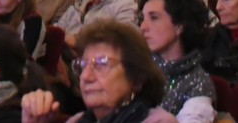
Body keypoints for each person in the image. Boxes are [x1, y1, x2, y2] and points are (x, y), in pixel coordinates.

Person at [20, 19, 163, 123]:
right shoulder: (78, 120)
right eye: (83, 65)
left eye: (102, 64)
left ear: (137, 79)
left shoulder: (157, 121)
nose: (86, 77)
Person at [137, 0, 214, 123]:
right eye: (142, 18)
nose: (143, 26)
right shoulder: (136, 69)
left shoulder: (198, 84)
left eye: (154, 18)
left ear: (179, 26)